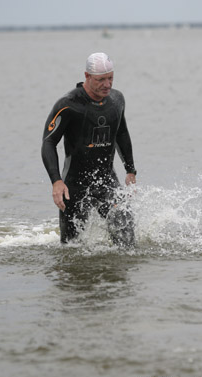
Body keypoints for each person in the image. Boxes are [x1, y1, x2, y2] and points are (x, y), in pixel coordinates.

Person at [41, 52, 137, 246]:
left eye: (110, 78)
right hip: (74, 186)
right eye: (101, 80)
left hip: (106, 181)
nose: (107, 84)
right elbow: (49, 142)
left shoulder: (117, 100)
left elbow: (122, 133)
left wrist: (130, 170)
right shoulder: (68, 105)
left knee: (127, 240)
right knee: (71, 249)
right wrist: (56, 181)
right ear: (87, 76)